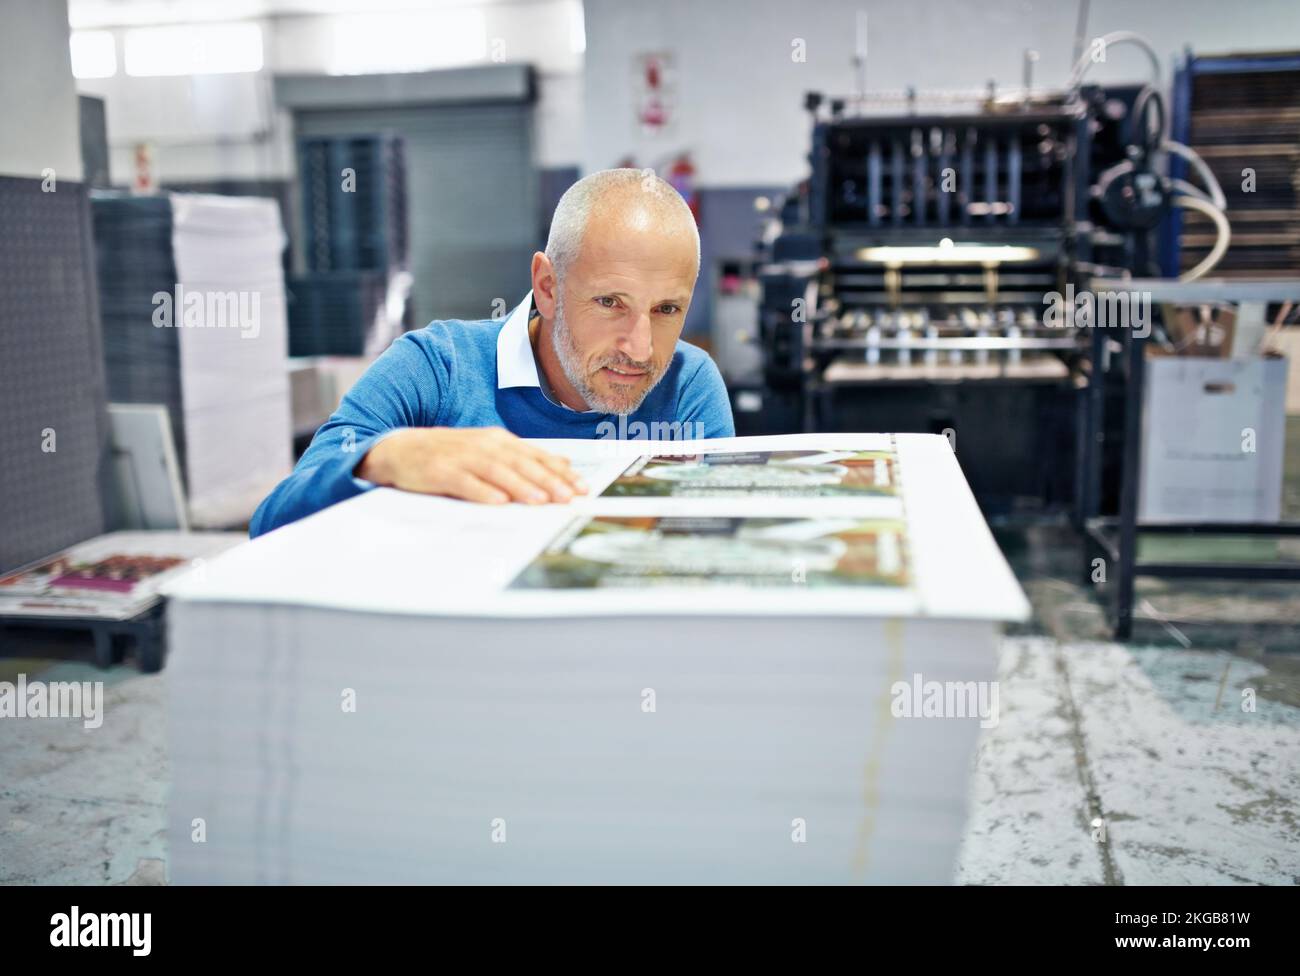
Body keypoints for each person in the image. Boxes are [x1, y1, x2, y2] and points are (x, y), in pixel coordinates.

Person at [250, 168, 734, 537]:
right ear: (548, 287)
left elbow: (714, 547)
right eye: (610, 303)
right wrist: (387, 458)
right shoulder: (437, 368)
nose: (641, 348)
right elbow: (271, 522)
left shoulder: (687, 386)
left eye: (667, 309)